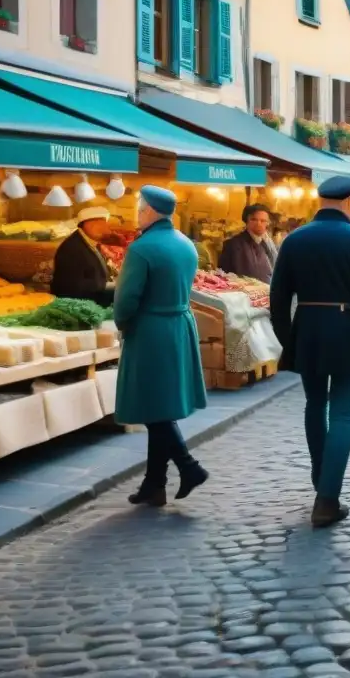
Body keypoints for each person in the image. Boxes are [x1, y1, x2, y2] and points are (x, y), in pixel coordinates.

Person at [269, 176, 350, 528]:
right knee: (341, 414)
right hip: (349, 330)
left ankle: (319, 479)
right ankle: (327, 498)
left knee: (314, 404)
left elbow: (277, 299)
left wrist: (287, 339)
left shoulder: (294, 240)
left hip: (307, 329)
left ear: (319, 200)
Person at [116, 186, 208, 507]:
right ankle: (154, 484)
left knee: (153, 405)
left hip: (151, 330)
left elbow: (126, 300)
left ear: (150, 211)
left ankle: (188, 467)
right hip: (180, 325)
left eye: (139, 209)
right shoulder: (186, 244)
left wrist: (122, 324)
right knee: (160, 405)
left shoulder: (142, 249)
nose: (137, 214)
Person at [50, 206, 116, 307]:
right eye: (102, 226)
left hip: (94, 294)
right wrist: (112, 287)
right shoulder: (72, 249)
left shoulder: (88, 241)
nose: (107, 231)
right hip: (79, 304)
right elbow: (73, 287)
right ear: (90, 225)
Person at [218, 203, 277, 283]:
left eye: (263, 221)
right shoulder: (233, 244)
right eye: (254, 219)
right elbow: (223, 274)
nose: (258, 224)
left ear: (267, 223)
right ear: (247, 221)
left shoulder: (268, 243)